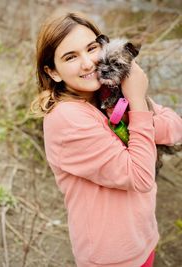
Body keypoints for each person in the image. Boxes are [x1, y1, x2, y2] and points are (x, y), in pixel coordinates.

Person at [31, 12, 182, 267]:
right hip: (111, 256)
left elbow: (176, 126)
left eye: (92, 48)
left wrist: (136, 109)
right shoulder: (67, 119)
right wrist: (136, 101)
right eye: (70, 57)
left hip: (143, 238)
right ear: (53, 72)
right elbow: (141, 176)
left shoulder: (109, 91)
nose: (89, 63)